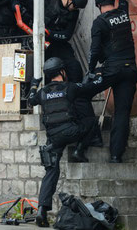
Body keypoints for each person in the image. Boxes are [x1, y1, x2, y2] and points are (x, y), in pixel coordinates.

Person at [28, 57, 98, 228]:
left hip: (53, 138)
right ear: (61, 72)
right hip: (71, 132)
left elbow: (30, 99)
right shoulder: (69, 88)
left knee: (51, 173)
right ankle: (79, 151)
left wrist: (34, 84)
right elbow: (88, 88)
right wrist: (92, 78)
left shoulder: (42, 93)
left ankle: (41, 211)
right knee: (91, 121)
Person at [84, 0, 137, 163]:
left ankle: (91, 137)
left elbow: (95, 50)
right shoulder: (124, 15)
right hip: (130, 70)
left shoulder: (99, 22)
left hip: (111, 70)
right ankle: (116, 155)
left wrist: (90, 70)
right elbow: (124, 0)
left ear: (99, 5)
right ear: (112, 1)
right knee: (122, 112)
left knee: (81, 95)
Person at [44, 0, 88, 83]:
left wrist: (50, 33)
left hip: (59, 44)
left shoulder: (74, 13)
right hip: (42, 43)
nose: (75, 9)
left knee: (74, 67)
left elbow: (67, 35)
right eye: (75, 6)